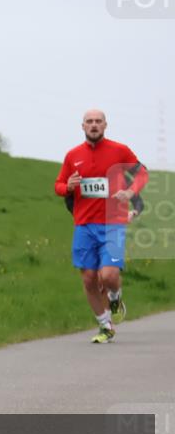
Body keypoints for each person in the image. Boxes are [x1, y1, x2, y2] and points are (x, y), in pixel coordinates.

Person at [54, 109, 148, 344]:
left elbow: (141, 173)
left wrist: (130, 191)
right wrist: (69, 187)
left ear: (105, 125)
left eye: (98, 121)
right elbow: (58, 185)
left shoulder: (119, 150)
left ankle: (115, 296)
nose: (94, 125)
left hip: (113, 223)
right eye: (89, 122)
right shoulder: (72, 155)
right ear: (82, 126)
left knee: (108, 275)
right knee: (88, 278)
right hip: (84, 225)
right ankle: (105, 325)